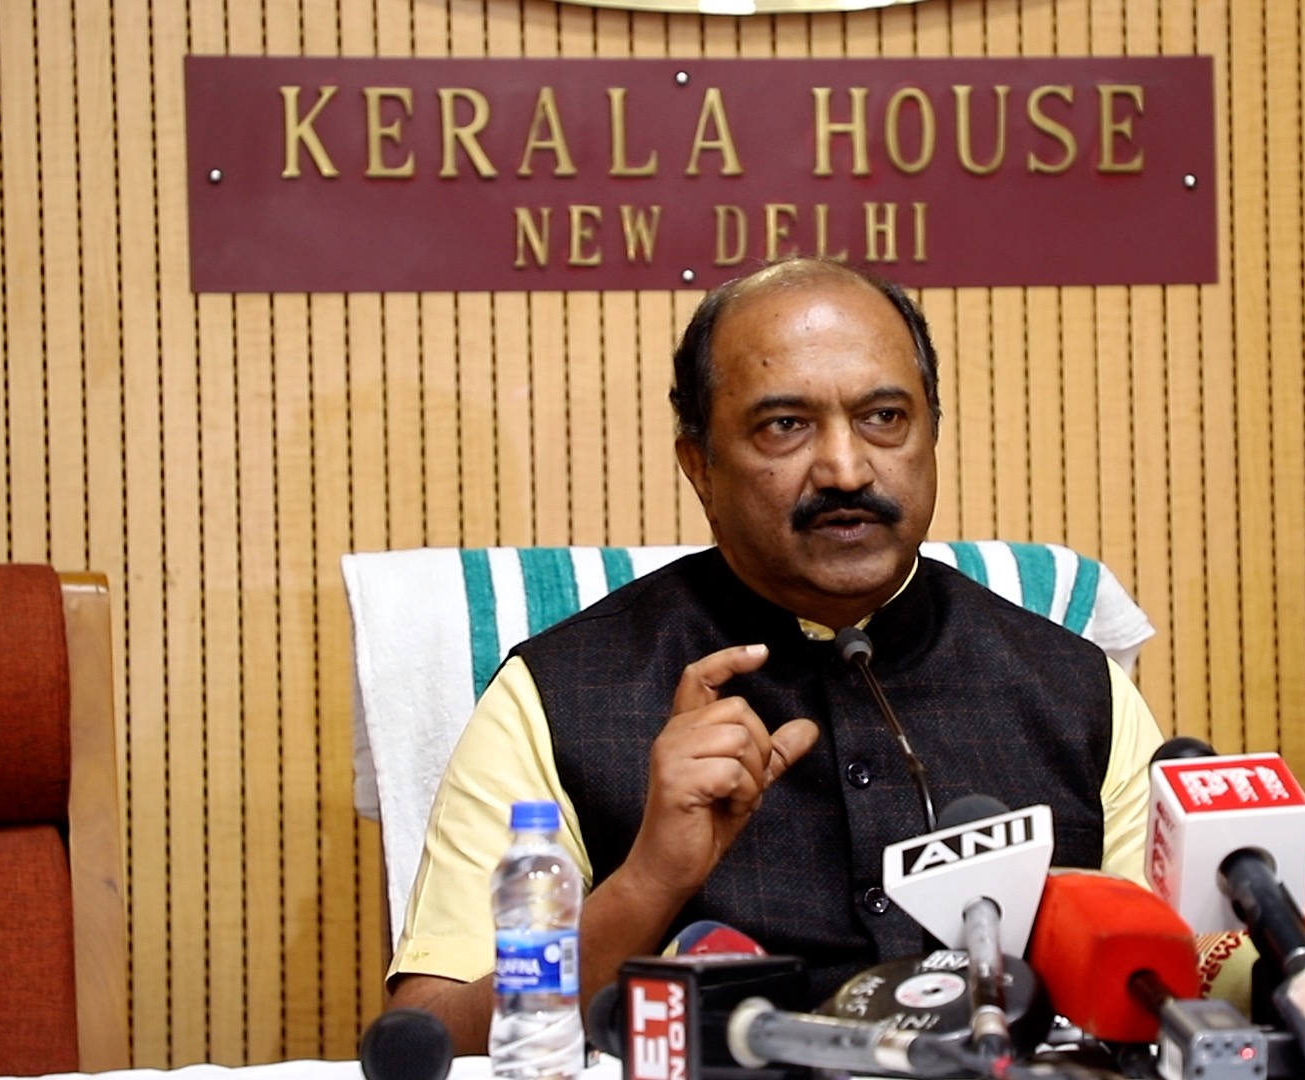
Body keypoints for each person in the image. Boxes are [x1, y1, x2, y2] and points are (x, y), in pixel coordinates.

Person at [386, 257, 1165, 1051]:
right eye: (784, 426)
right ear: (700, 466)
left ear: (933, 432)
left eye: (885, 417)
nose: (846, 468)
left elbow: (1176, 988)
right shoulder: (557, 695)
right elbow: (428, 1035)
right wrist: (650, 881)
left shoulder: (1076, 691)